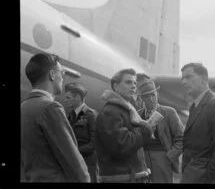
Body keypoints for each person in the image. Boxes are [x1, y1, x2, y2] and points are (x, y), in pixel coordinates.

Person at [21, 53, 90, 182]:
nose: (63, 78)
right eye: (62, 73)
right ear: (52, 75)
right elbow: (73, 161)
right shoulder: (51, 108)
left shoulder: (23, 107)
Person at [95, 68, 153, 183]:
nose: (133, 86)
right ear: (116, 86)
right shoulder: (111, 112)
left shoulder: (126, 109)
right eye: (128, 82)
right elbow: (122, 146)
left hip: (131, 176)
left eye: (135, 83)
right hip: (123, 178)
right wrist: (145, 129)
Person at [180, 63, 215, 183]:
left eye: (188, 77)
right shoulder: (195, 106)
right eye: (182, 78)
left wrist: (207, 177)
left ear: (204, 79)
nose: (183, 82)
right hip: (194, 175)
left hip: (209, 178)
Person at [137, 80, 184, 183]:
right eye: (146, 96)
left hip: (162, 159)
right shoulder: (138, 115)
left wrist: (169, 157)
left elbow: (182, 139)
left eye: (153, 95)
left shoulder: (169, 112)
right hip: (143, 161)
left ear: (157, 94)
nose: (150, 99)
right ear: (142, 98)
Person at [64, 83, 99, 182]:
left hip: (88, 164)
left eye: (68, 97)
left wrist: (74, 152)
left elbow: (94, 144)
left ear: (78, 97)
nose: (65, 100)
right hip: (75, 163)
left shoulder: (91, 115)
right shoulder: (70, 116)